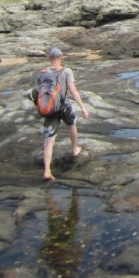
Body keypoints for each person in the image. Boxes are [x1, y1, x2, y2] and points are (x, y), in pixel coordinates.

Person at [35, 47, 89, 181]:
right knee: (72, 124)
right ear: (61, 57)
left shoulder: (42, 73)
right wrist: (83, 107)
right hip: (64, 106)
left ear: (49, 58)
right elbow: (73, 90)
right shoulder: (66, 71)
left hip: (49, 109)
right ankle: (74, 149)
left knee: (49, 140)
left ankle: (47, 170)